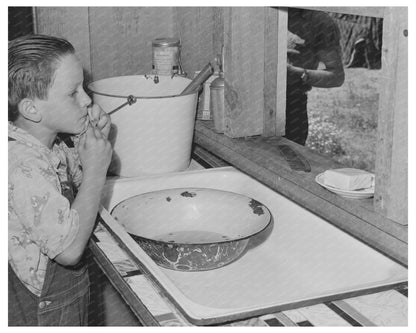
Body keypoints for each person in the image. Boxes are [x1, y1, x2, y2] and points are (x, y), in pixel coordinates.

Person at [8, 34, 112, 326]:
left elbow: (74, 189)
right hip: (40, 313)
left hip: (59, 299)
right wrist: (97, 169)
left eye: (84, 88)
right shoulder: (23, 164)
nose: (87, 99)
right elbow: (68, 250)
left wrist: (89, 142)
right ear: (31, 109)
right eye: (73, 93)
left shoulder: (48, 145)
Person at [286, 8, 345, 145]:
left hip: (291, 108)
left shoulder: (319, 21)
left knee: (290, 163)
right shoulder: (255, 12)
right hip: (249, 105)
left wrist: (295, 72)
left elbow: (336, 76)